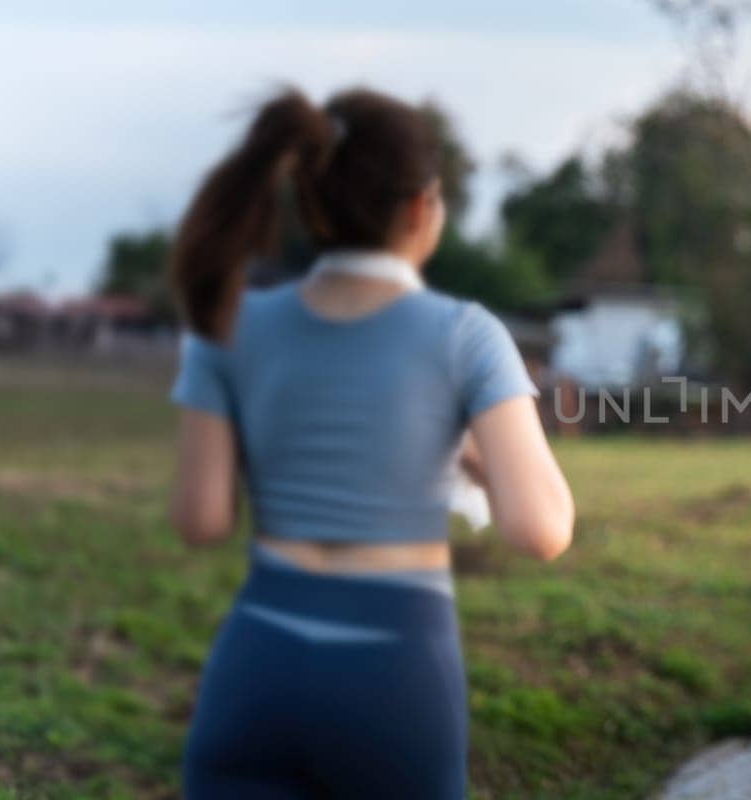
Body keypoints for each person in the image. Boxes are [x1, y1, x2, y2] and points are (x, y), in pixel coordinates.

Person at [166, 85, 575, 798]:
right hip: (394, 673)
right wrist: (474, 457)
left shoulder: (227, 324)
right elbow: (541, 530)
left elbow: (201, 520)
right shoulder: (465, 334)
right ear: (421, 208)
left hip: (256, 664)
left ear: (313, 202)